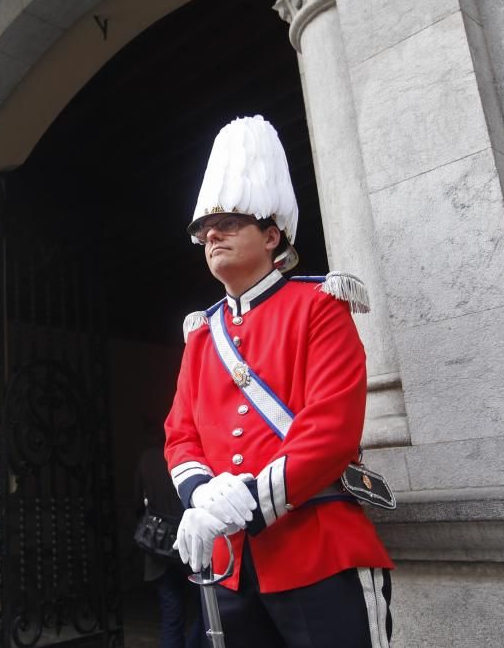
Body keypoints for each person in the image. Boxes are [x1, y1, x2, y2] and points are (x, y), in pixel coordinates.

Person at [164, 115, 395, 647]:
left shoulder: (320, 306)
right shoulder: (202, 335)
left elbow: (330, 431)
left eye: (228, 222)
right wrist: (200, 496)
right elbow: (181, 434)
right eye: (204, 228)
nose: (211, 235)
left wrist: (245, 498)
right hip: (230, 566)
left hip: (317, 552)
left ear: (272, 236)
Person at [135, 441, 206, 648]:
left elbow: (137, 502)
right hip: (190, 540)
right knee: (205, 610)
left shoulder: (147, 457)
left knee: (171, 613)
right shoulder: (189, 453)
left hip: (159, 543)